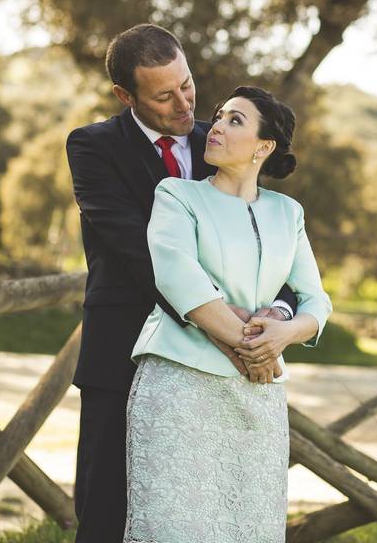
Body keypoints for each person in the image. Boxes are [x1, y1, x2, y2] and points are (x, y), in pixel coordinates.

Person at [65, 24, 298, 543]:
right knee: (107, 514)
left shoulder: (220, 142)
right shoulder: (93, 147)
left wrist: (274, 318)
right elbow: (140, 253)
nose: (184, 104)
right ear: (126, 96)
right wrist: (227, 329)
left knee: (202, 513)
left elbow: (274, 245)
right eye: (164, 95)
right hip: (123, 353)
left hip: (219, 371)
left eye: (188, 84)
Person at [123, 86, 332, 543]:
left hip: (259, 396)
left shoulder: (288, 212)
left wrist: (283, 334)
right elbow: (178, 277)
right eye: (218, 117)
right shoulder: (176, 195)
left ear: (264, 146)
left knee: (248, 528)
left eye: (235, 120)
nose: (215, 125)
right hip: (180, 384)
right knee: (175, 526)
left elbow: (315, 299)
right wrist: (254, 347)